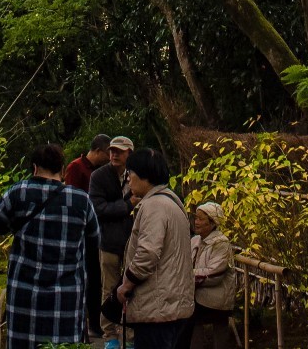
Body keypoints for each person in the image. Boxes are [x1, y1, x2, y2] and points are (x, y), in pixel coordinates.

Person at [0, 144, 101, 349]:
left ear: (34, 168)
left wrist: (14, 225)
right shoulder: (81, 200)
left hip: (24, 300)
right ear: (62, 170)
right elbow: (94, 241)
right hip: (66, 301)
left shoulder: (19, 192)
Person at [116, 149, 192, 349]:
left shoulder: (154, 206)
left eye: (130, 174)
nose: (129, 181)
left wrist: (127, 284)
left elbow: (148, 253)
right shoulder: (174, 203)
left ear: (144, 176)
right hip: (172, 305)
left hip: (157, 308)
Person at [88, 136, 135, 349]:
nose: (114, 154)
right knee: (108, 290)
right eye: (112, 150)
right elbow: (98, 209)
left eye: (120, 151)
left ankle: (131, 336)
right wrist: (127, 205)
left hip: (133, 242)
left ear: (129, 154)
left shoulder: (136, 174)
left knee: (133, 290)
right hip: (108, 242)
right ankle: (110, 337)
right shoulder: (99, 176)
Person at [65, 137, 111, 339]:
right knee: (87, 278)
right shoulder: (76, 167)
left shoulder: (100, 172)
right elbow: (71, 197)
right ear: (99, 150)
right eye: (108, 152)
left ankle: (95, 323)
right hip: (81, 231)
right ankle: (85, 325)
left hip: (95, 230)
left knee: (95, 279)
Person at [187, 203, 237, 349]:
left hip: (217, 297)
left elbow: (215, 273)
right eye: (196, 218)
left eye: (201, 219)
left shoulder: (221, 243)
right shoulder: (195, 240)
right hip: (196, 295)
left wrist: (187, 276)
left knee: (219, 328)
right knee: (191, 321)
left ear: (212, 222)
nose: (196, 222)